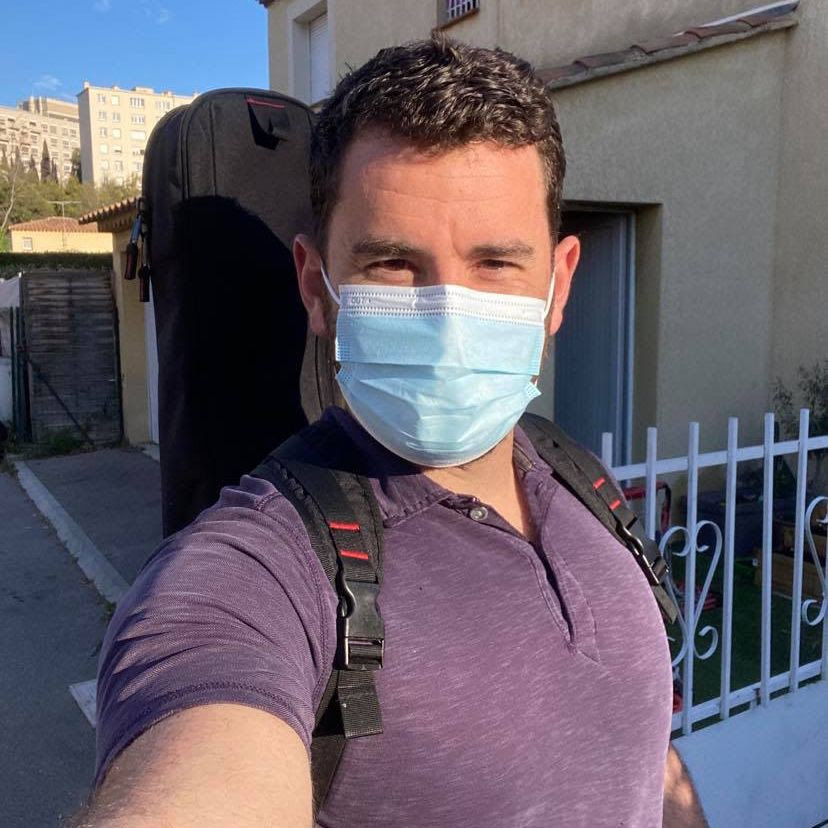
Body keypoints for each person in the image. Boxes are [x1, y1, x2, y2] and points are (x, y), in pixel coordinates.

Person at [74, 36, 706, 827]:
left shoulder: (583, 482)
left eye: (495, 263)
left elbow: (643, 752)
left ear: (559, 284)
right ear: (317, 287)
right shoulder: (258, 573)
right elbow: (202, 764)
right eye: (393, 264)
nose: (448, 312)